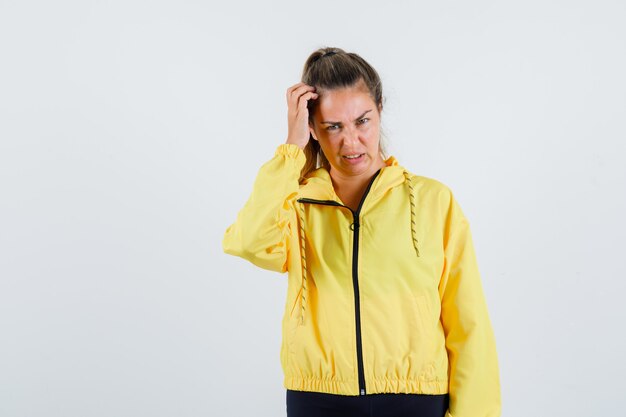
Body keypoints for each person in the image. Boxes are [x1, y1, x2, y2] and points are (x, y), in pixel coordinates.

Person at [222, 47, 501, 417]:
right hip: (318, 399)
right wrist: (290, 151)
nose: (350, 141)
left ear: (380, 110)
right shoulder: (295, 203)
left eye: (362, 121)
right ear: (312, 129)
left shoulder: (433, 201)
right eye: (332, 126)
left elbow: (469, 323)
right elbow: (249, 243)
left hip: (415, 400)